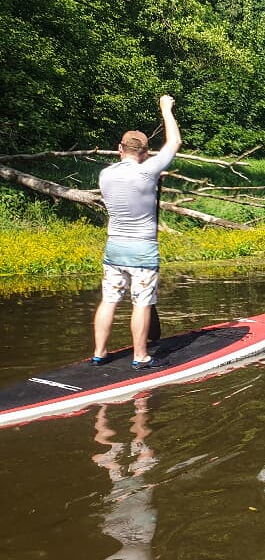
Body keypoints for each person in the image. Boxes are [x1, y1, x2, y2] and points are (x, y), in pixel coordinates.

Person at [92, 95, 181, 369]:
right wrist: (165, 108)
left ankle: (99, 352)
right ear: (145, 153)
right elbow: (175, 142)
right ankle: (140, 356)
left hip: (114, 248)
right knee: (141, 302)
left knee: (109, 300)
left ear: (120, 148)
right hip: (142, 250)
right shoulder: (147, 171)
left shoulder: (105, 174)